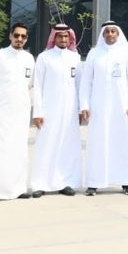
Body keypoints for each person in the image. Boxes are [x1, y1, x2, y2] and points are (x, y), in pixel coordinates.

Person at [79, 21, 128, 196]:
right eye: (107, 32)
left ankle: (126, 181)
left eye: (113, 31)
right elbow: (86, 82)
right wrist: (84, 105)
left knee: (123, 143)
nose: (110, 35)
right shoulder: (94, 54)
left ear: (118, 34)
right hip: (98, 107)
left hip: (121, 108)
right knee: (97, 143)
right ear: (103, 35)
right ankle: (94, 182)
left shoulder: (126, 54)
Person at [0, 23, 36, 202]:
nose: (19, 39)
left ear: (26, 39)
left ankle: (17, 189)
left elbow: (30, 83)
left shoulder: (29, 58)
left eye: (23, 37)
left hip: (20, 112)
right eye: (16, 35)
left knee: (17, 150)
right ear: (10, 36)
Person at [30, 23, 82, 197]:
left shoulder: (75, 58)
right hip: (48, 111)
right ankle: (40, 183)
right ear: (54, 38)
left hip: (70, 111)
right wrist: (37, 112)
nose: (63, 39)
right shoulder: (44, 57)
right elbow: (38, 86)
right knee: (46, 146)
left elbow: (79, 86)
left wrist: (81, 109)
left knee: (67, 147)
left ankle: (64, 182)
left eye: (66, 36)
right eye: (60, 36)